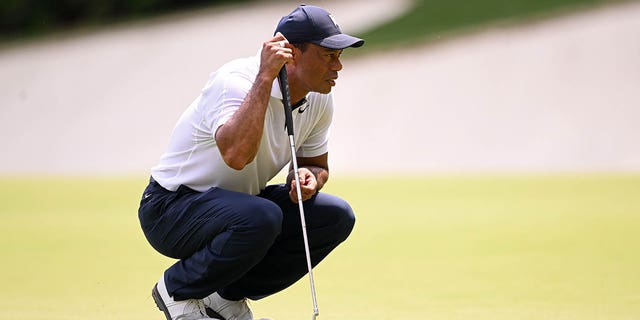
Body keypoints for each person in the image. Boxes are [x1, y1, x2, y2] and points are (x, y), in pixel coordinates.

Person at [138, 4, 364, 320]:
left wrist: (309, 178)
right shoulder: (235, 81)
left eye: (339, 55)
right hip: (170, 208)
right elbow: (236, 156)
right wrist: (265, 76)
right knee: (262, 217)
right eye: (329, 55)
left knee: (335, 216)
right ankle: (177, 290)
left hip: (240, 210)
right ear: (291, 54)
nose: (338, 65)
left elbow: (315, 163)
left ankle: (224, 297)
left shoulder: (320, 98)